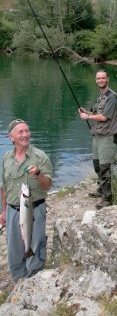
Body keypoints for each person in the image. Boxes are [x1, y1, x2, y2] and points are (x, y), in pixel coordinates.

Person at [0, 119, 52, 283]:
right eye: (20, 132)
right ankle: (19, 283)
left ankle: (34, 282)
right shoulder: (7, 158)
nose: (25, 135)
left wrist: (38, 174)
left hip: (34, 209)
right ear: (11, 137)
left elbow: (48, 186)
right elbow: (4, 187)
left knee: (35, 246)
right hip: (12, 210)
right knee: (14, 249)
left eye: (27, 131)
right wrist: (3, 210)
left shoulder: (40, 157)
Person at [78, 70, 117, 208]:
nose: (100, 80)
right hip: (97, 136)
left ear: (107, 79)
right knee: (97, 165)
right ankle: (101, 189)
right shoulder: (100, 97)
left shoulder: (111, 97)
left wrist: (87, 117)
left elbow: (104, 117)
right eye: (98, 78)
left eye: (103, 78)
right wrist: (87, 112)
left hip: (108, 137)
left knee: (105, 167)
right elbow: (97, 113)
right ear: (96, 80)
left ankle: (107, 198)